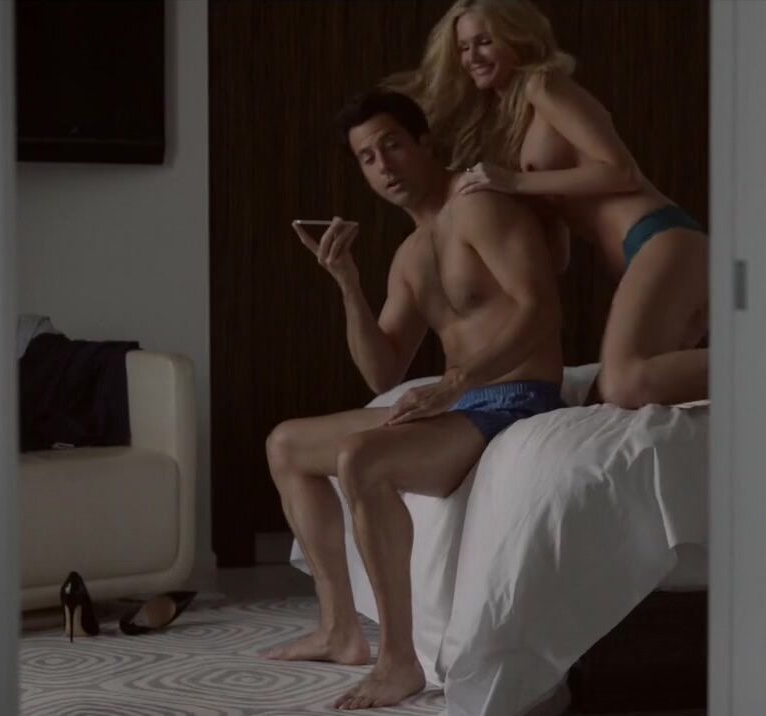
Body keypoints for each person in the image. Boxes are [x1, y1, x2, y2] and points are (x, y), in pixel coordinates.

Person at [262, 89, 565, 710]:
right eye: (368, 158)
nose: (384, 166)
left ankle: (398, 661)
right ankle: (339, 629)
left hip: (516, 398)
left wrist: (455, 382)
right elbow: (383, 370)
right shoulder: (410, 253)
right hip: (462, 407)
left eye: (392, 145)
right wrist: (347, 282)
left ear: (424, 142)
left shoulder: (479, 207)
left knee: (361, 458)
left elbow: (541, 312)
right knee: (286, 443)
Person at [385, 0, 709, 409]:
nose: (472, 57)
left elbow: (621, 171)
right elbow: (558, 257)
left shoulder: (543, 86)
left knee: (625, 383)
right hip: (640, 255)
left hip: (660, 238)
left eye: (484, 41)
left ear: (516, 37)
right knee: (604, 401)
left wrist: (514, 182)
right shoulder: (512, 123)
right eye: (464, 48)